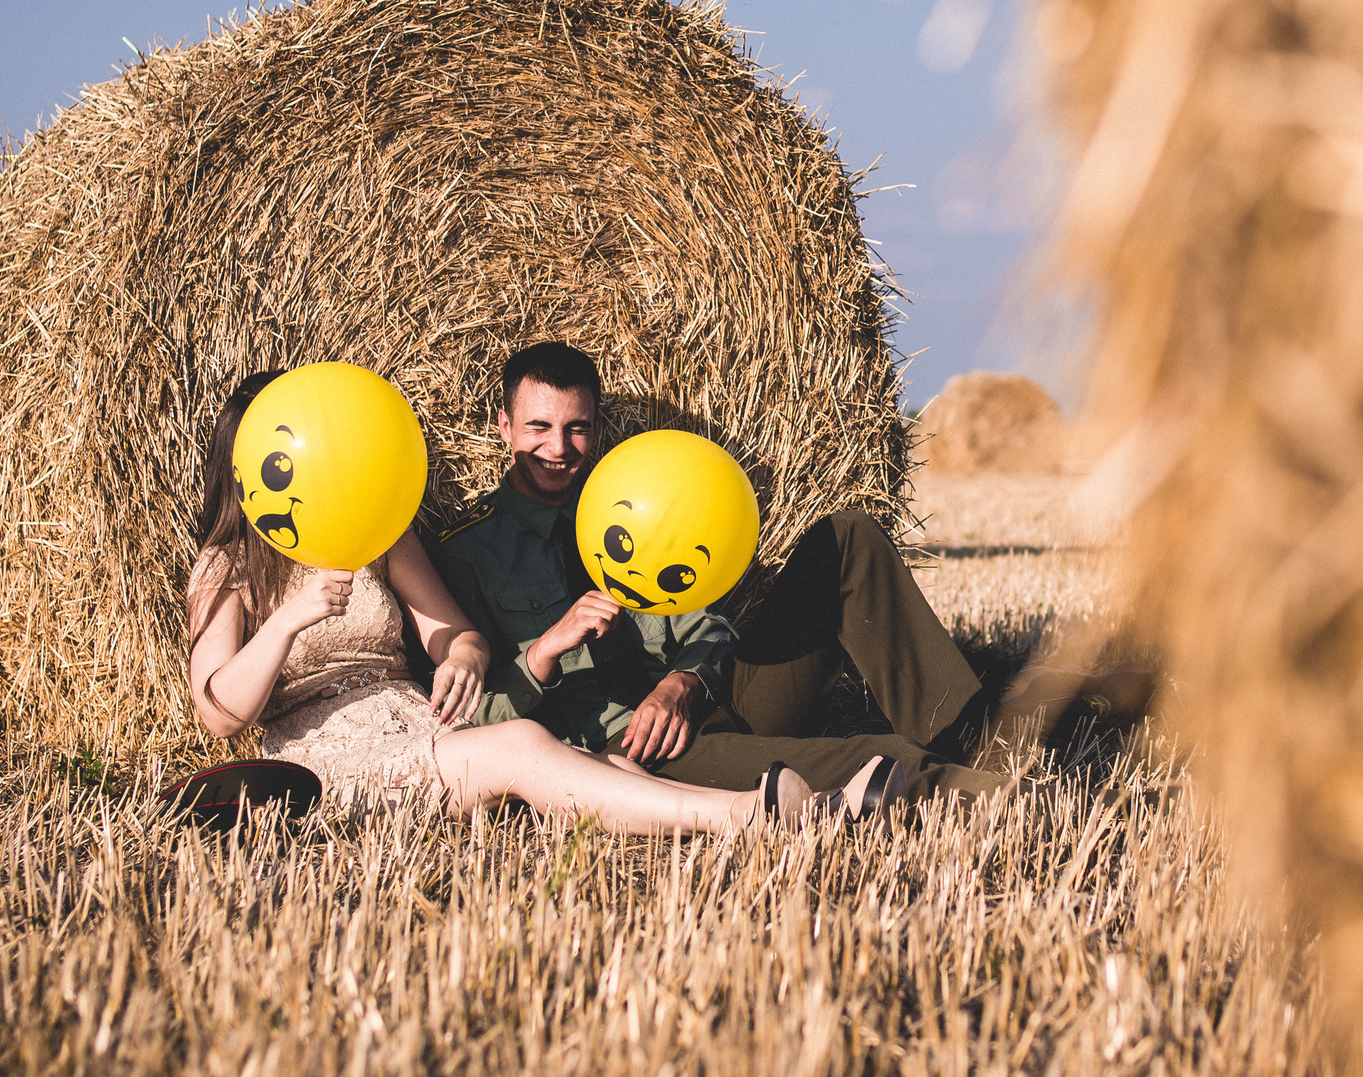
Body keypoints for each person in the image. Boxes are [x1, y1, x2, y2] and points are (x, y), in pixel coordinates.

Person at [183, 370, 894, 832]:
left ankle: (823, 809)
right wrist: (290, 615)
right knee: (525, 745)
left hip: (416, 720)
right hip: (331, 756)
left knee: (599, 766)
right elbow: (220, 713)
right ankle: (747, 814)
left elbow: (454, 635)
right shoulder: (226, 567)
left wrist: (460, 655)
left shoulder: (378, 533)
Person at [428, 342, 1008, 799]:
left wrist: (684, 683)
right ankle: (992, 796)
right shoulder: (467, 554)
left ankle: (971, 739)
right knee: (864, 761)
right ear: (504, 426)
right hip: (631, 748)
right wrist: (544, 652)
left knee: (847, 538)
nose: (559, 447)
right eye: (539, 428)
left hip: (709, 698)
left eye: (576, 427)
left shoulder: (638, 501)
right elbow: (471, 726)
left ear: (598, 429)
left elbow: (708, 627)